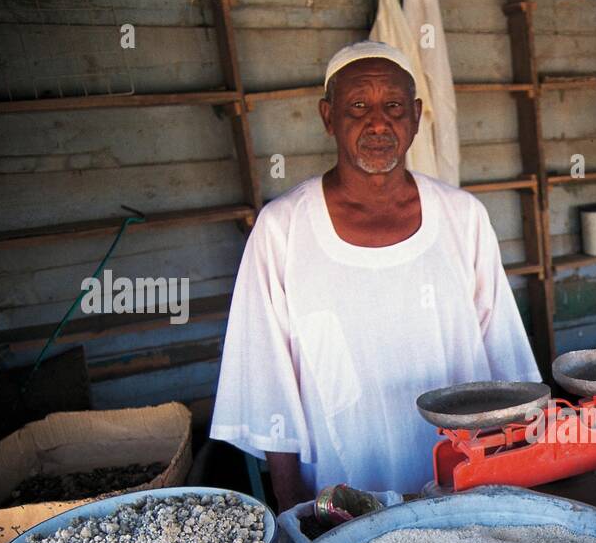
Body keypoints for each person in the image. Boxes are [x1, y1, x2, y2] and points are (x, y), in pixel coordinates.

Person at [210, 41, 540, 509]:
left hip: (465, 485)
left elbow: (504, 358)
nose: (378, 122)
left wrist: (513, 480)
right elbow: (267, 380)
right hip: (344, 499)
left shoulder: (462, 217)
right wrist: (293, 514)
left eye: (394, 106)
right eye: (358, 106)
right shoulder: (282, 228)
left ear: (417, 115)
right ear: (328, 117)